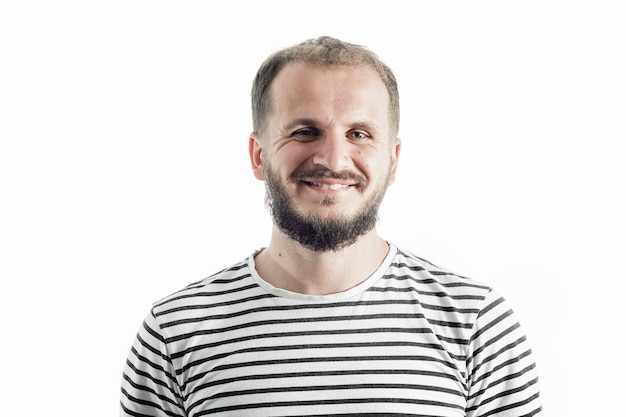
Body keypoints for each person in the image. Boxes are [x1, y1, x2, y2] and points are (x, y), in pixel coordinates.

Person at [120, 36, 542, 416]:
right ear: (257, 155)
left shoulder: (476, 324)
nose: (335, 159)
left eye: (359, 133)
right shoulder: (174, 333)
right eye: (305, 131)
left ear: (392, 160)